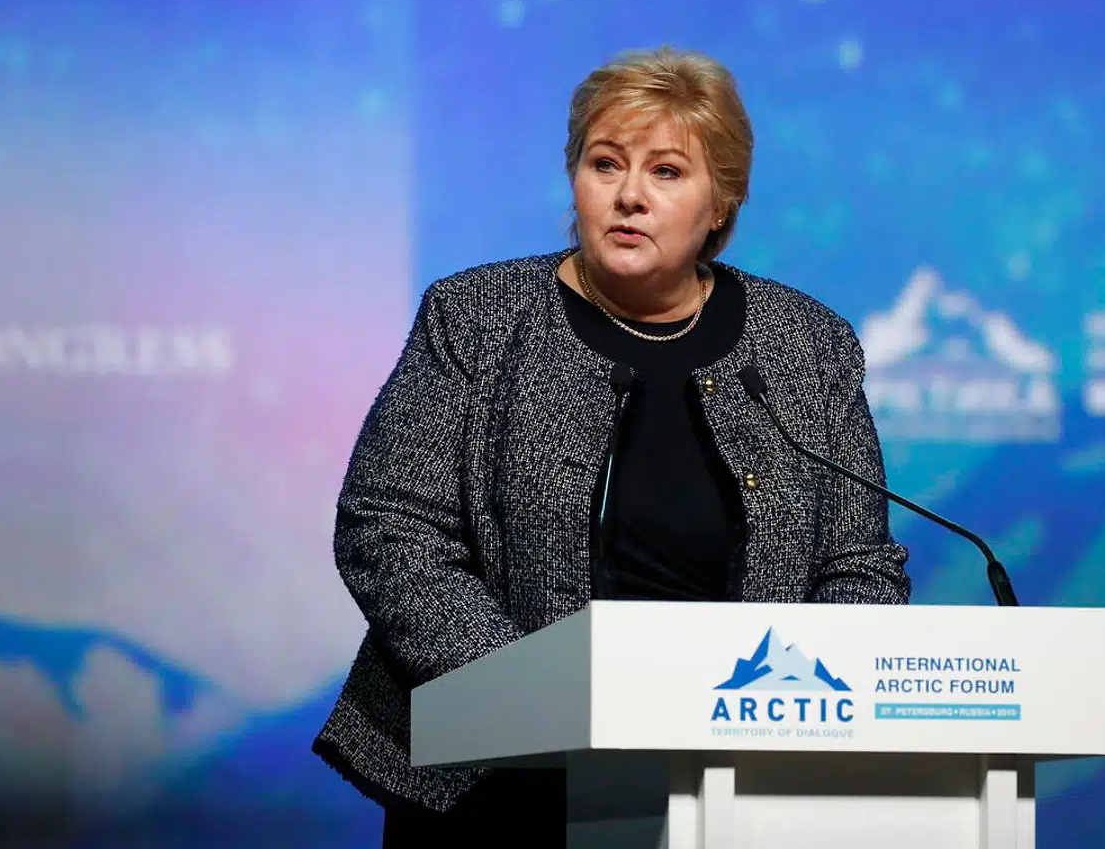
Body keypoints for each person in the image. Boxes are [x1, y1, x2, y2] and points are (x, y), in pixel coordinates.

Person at [313, 47, 911, 845]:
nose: (630, 195)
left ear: (721, 202)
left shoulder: (807, 346)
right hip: (493, 774)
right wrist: (523, 692)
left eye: (666, 171)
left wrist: (792, 716)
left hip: (735, 785)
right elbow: (389, 528)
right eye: (606, 164)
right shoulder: (477, 317)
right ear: (576, 180)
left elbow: (858, 567)